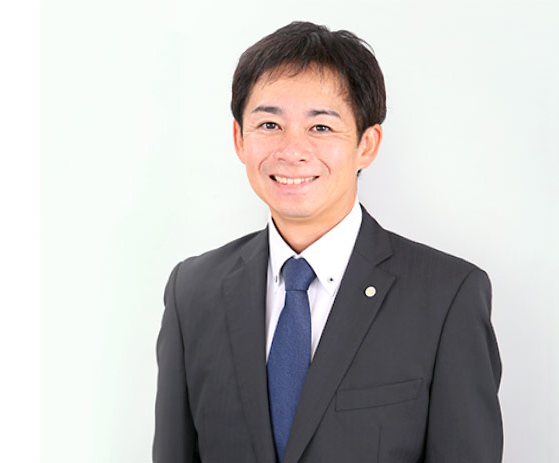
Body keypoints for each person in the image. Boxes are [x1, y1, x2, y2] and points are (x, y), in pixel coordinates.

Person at [153, 21, 503, 463]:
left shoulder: (446, 296)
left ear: (367, 144)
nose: (291, 150)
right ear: (239, 139)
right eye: (269, 124)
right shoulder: (193, 291)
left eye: (320, 127)